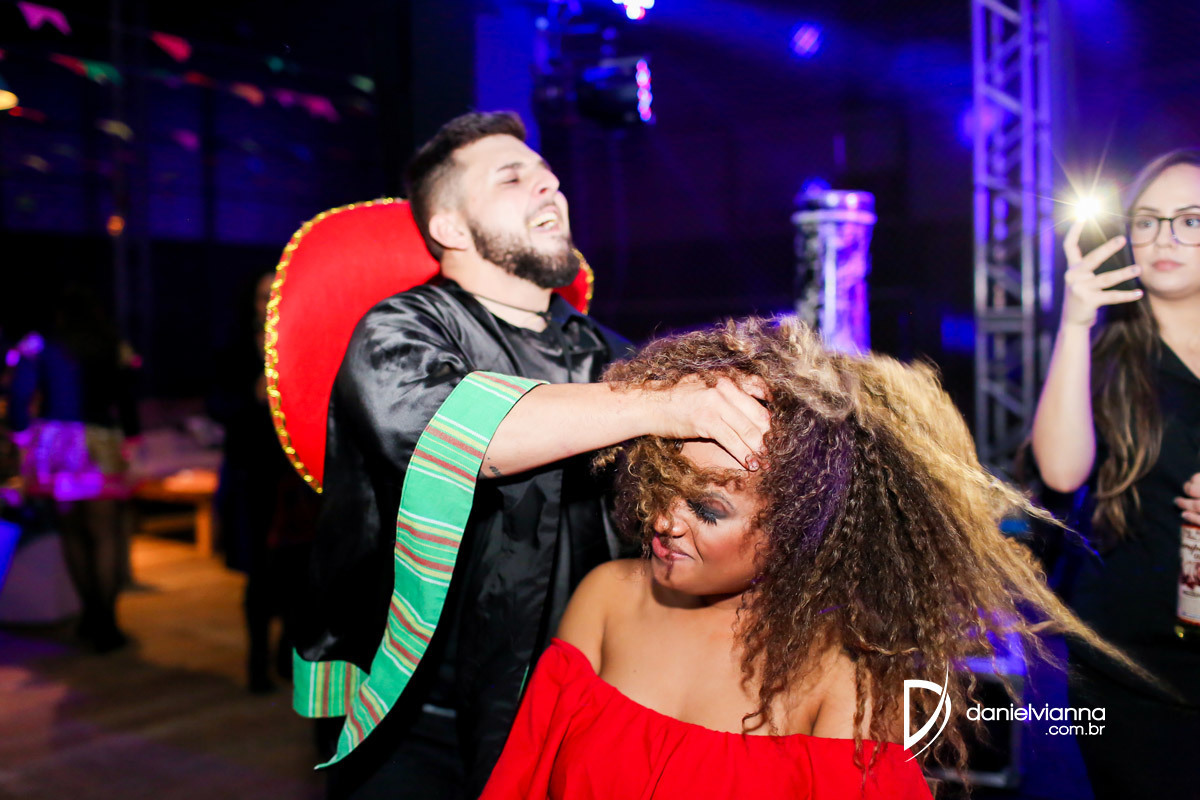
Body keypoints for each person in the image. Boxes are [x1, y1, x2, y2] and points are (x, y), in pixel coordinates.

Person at [296, 111, 773, 799]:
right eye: (512, 178)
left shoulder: (609, 354)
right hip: (416, 718)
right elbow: (452, 432)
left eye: (548, 176)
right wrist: (663, 404)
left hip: (562, 707)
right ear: (451, 227)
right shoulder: (397, 332)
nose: (549, 187)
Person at [481, 318, 1141, 799]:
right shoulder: (606, 599)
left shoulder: (842, 679)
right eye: (660, 483)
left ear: (801, 530)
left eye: (707, 509)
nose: (661, 520)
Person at [1031, 150, 1200, 796]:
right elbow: (1060, 470)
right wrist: (1076, 321)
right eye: (1148, 221)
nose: (1164, 237)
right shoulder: (1103, 354)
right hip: (1131, 664)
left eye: (1190, 220)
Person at [8, 284, 140, 652]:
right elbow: (126, 396)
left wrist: (21, 434)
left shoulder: (40, 344)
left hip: (58, 449)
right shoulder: (111, 343)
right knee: (105, 534)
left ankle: (91, 616)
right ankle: (107, 622)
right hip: (102, 445)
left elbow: (19, 394)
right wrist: (132, 438)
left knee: (73, 534)